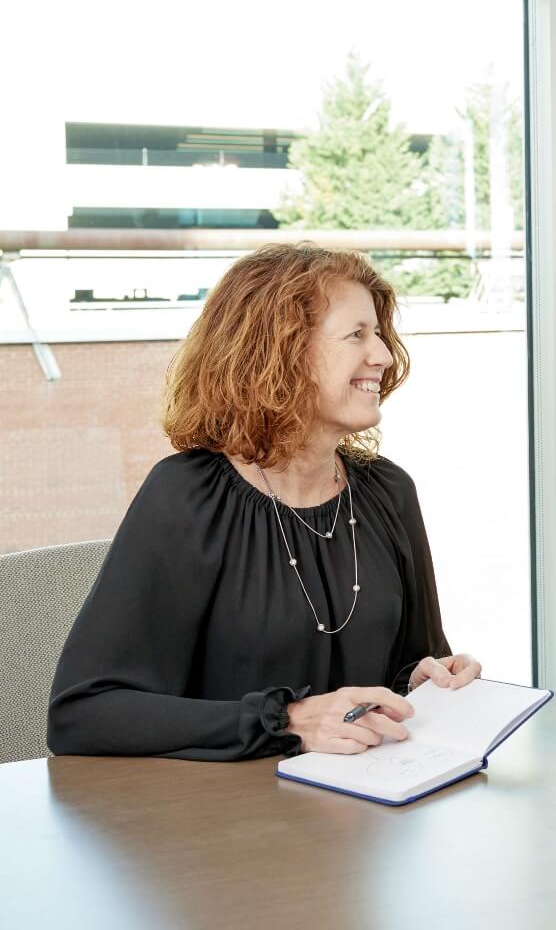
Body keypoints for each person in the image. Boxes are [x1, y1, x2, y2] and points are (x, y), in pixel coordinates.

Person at [48, 243, 480, 760]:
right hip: (227, 821)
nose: (384, 355)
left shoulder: (390, 492)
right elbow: (83, 714)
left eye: (380, 334)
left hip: (366, 817)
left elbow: (414, 660)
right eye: (357, 335)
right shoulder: (187, 497)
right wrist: (288, 721)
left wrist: (431, 681)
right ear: (280, 352)